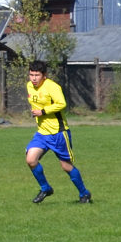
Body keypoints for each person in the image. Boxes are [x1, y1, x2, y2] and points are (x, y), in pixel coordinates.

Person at [25, 60, 92, 204]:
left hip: (58, 133)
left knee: (66, 166)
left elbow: (62, 104)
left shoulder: (52, 87)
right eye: (31, 75)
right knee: (30, 160)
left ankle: (84, 193)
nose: (33, 78)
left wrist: (42, 111)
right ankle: (46, 188)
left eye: (37, 75)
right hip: (42, 133)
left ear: (45, 75)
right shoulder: (29, 86)